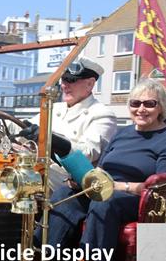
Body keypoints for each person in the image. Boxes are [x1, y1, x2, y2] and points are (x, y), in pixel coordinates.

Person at [39, 78, 166, 261]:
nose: (141, 109)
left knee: (105, 200)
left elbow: (160, 186)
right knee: (64, 195)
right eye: (135, 103)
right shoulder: (123, 134)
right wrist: (82, 178)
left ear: (161, 107)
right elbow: (102, 167)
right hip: (104, 187)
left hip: (138, 197)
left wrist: (118, 186)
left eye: (149, 104)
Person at [19, 57, 117, 187]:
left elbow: (88, 153)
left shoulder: (102, 114)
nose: (64, 85)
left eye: (71, 80)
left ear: (90, 84)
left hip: (71, 184)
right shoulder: (54, 108)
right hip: (41, 172)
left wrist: (56, 142)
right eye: (63, 79)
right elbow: (22, 126)